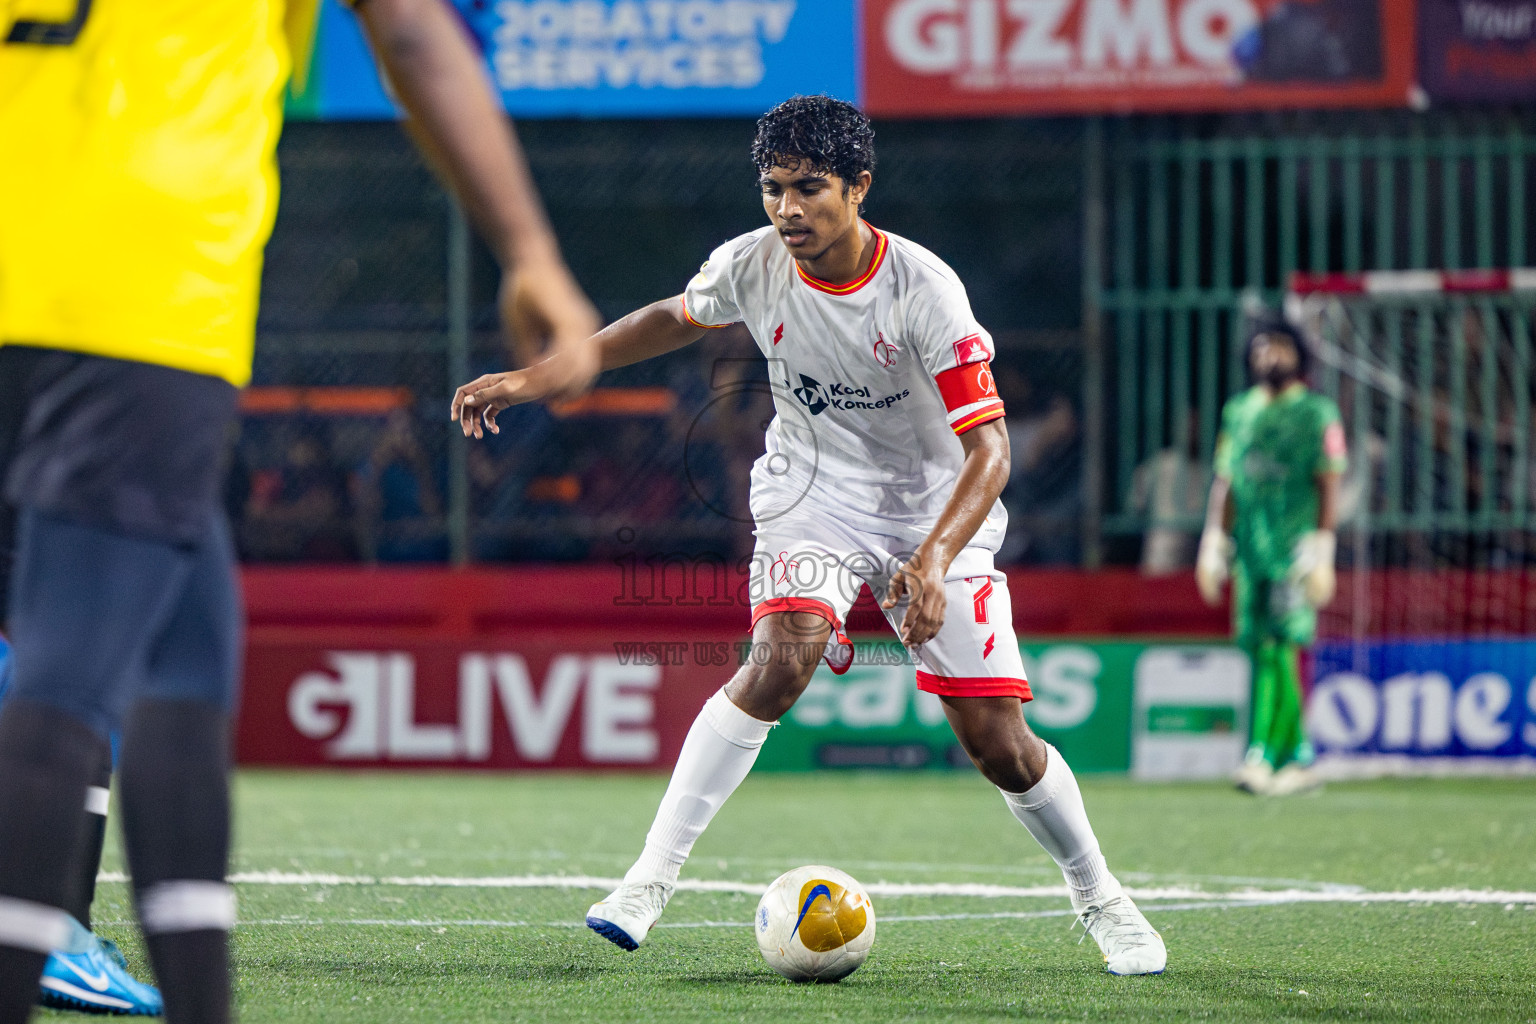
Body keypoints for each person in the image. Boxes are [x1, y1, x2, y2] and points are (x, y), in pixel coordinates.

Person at [453, 95, 1166, 976]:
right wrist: (542, 375)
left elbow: (992, 451)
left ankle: (1102, 898)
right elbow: (674, 316)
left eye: (809, 188)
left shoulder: (925, 290)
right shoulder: (753, 262)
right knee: (781, 659)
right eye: (773, 188)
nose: (787, 209)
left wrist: (933, 560)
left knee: (999, 745)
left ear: (859, 187)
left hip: (934, 511)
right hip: (812, 496)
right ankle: (647, 881)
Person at [0, 1, 599, 1020]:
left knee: (189, 647)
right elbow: (412, 32)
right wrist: (530, 250)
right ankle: (41, 932)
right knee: (71, 670)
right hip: (133, 291)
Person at [1196, 321, 1346, 797]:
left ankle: (1262, 754)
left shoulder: (1317, 412)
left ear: (1299, 355)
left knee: (1281, 645)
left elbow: (1329, 481)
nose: (1270, 356)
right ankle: (1298, 756)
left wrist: (1323, 548)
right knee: (1260, 645)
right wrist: (1214, 541)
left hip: (1294, 549)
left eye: (1280, 347)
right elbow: (1225, 480)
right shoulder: (1238, 410)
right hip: (1251, 551)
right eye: (1262, 348)